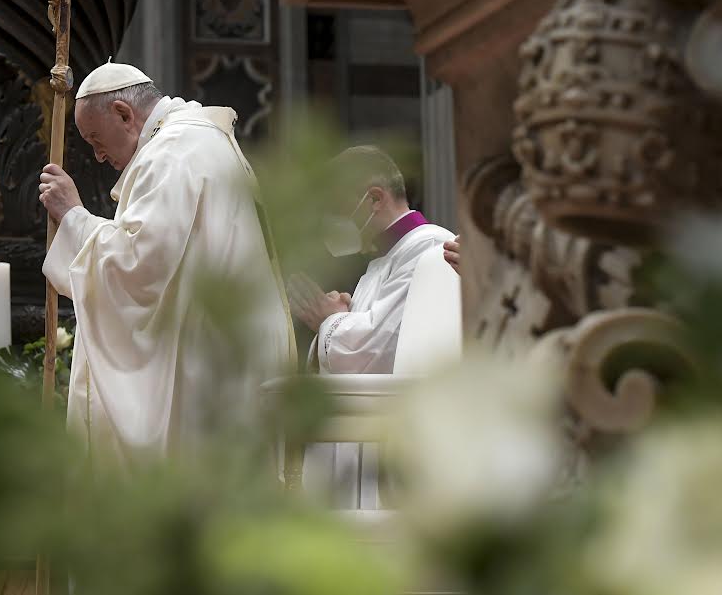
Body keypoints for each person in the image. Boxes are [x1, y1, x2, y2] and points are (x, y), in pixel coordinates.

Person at [38, 62, 296, 467]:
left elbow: (139, 265)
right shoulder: (197, 138)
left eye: (95, 139)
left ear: (124, 114)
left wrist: (73, 216)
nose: (98, 155)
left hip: (209, 353)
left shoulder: (174, 152)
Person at [289, 145, 455, 374]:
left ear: (375, 198)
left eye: (336, 208)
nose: (330, 222)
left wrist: (330, 318)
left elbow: (379, 352)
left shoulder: (431, 246)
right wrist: (341, 315)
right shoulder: (381, 262)